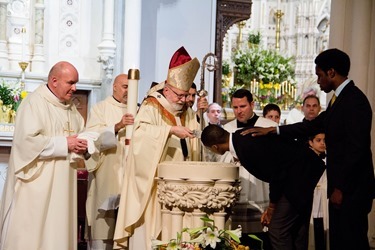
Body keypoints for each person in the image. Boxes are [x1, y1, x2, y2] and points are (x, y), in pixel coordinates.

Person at [243, 48, 375, 250]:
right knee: (341, 242)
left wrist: (341, 187)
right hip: (344, 188)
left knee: (352, 241)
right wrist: (274, 130)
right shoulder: (338, 100)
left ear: (331, 72)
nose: (318, 80)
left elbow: (356, 150)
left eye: (319, 75)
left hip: (351, 190)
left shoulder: (354, 101)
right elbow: (311, 125)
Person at [113, 46, 201, 250]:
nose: (183, 100)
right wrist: (169, 131)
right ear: (167, 89)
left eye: (186, 95)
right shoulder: (152, 106)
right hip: (153, 184)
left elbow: (193, 137)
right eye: (179, 95)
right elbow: (140, 136)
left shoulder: (185, 110)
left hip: (182, 184)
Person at [0, 61, 88, 250]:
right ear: (54, 81)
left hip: (64, 186)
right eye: (70, 82)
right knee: (33, 235)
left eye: (76, 83)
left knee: (58, 232)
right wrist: (65, 143)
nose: (75, 88)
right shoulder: (34, 103)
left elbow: (81, 134)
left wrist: (85, 144)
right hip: (37, 185)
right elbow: (26, 141)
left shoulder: (70, 108)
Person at [201, 124, 325, 250]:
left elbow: (277, 174)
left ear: (215, 147)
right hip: (304, 171)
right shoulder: (242, 136)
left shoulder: (245, 147)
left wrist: (271, 207)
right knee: (297, 228)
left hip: (297, 177)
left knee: (277, 230)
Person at [84, 74, 135, 249]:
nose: (128, 91)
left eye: (131, 87)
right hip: (108, 173)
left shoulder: (139, 110)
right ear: (114, 87)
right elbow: (91, 138)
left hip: (130, 173)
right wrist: (116, 126)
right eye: (124, 86)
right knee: (104, 231)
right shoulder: (100, 108)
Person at [222, 89, 277, 220]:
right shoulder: (227, 129)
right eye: (235, 107)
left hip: (261, 188)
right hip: (237, 185)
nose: (239, 111)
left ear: (252, 105)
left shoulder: (268, 126)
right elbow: (221, 158)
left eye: (242, 106)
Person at [308, 132, 327, 250]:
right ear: (311, 142)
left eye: (324, 140)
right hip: (312, 199)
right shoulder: (306, 158)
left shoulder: (330, 159)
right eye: (318, 140)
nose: (322, 143)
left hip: (325, 200)